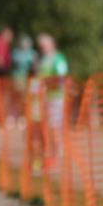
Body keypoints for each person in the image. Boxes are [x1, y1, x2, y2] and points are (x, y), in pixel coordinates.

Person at [32, 34, 69, 173]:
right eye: (41, 45)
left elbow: (61, 78)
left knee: (54, 128)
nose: (42, 48)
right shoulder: (41, 60)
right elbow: (37, 79)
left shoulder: (58, 59)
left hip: (56, 98)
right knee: (44, 129)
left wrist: (48, 84)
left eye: (45, 44)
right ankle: (47, 158)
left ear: (52, 44)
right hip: (43, 99)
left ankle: (57, 156)